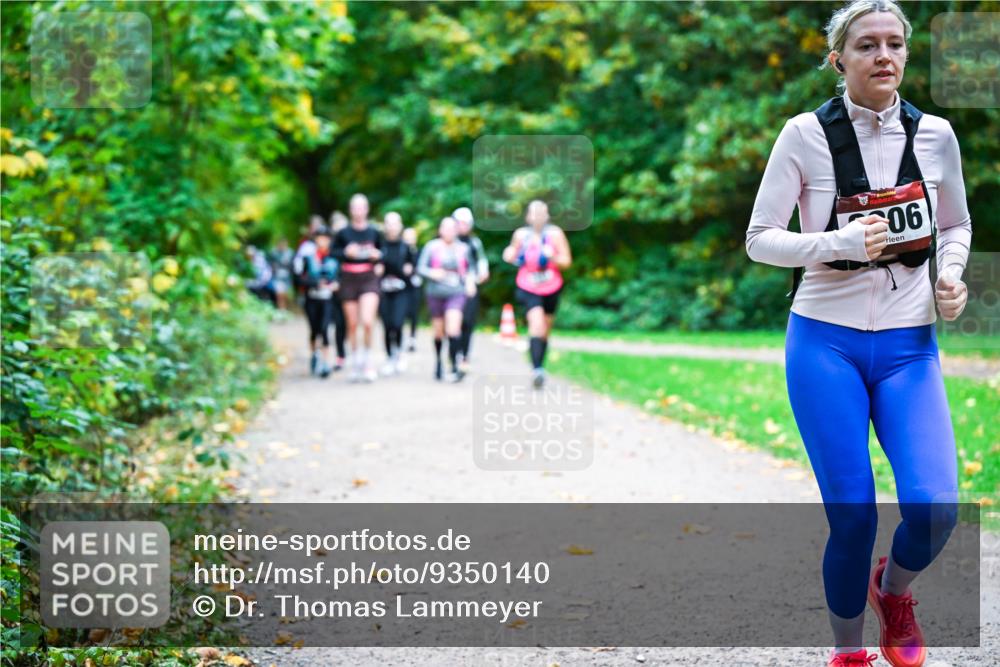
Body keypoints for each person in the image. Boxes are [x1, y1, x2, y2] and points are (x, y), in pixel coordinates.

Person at [745, 2, 971, 666]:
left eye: (895, 44)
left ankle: (892, 591)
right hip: (825, 342)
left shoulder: (935, 136)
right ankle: (848, 651)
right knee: (853, 516)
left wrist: (949, 276)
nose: (884, 55)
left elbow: (954, 225)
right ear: (838, 57)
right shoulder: (803, 135)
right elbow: (760, 239)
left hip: (908, 344)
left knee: (935, 507)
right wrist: (834, 241)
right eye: (866, 44)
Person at [502, 200, 572, 388]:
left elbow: (567, 261)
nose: (538, 216)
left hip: (551, 287)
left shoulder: (555, 234)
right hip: (528, 286)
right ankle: (536, 370)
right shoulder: (521, 235)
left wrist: (553, 257)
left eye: (542, 212)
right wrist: (509, 254)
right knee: (537, 325)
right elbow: (512, 255)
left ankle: (540, 365)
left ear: (547, 215)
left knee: (545, 331)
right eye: (535, 213)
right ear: (528, 216)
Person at [417, 217, 476, 382]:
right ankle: (438, 362)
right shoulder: (432, 247)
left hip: (456, 292)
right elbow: (420, 268)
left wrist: (470, 282)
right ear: (440, 230)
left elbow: (471, 268)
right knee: (438, 331)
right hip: (435, 293)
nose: (449, 231)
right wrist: (432, 273)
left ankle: (455, 365)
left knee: (453, 327)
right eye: (445, 228)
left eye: (452, 228)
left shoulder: (463, 248)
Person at [333, 194, 383, 382]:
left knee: (368, 321)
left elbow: (383, 252)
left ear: (367, 209)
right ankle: (355, 361)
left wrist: (377, 256)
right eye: (355, 207)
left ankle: (368, 360)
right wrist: (346, 252)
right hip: (349, 278)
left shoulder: (374, 231)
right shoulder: (343, 233)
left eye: (362, 207)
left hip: (368, 278)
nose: (359, 211)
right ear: (350, 210)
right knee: (352, 324)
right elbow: (333, 252)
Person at [378, 212, 416, 375]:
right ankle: (389, 357)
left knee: (398, 323)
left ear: (400, 226)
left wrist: (409, 269)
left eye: (395, 223)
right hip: (384, 292)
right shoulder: (380, 245)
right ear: (385, 226)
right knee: (387, 325)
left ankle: (399, 354)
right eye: (389, 223)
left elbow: (413, 265)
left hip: (401, 291)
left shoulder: (406, 247)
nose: (392, 227)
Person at [453, 206, 490, 373]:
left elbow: (482, 261)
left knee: (468, 322)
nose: (463, 226)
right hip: (452, 287)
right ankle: (454, 355)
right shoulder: (448, 241)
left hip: (470, 287)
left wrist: (482, 273)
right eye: (460, 223)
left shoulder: (474, 242)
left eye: (466, 223)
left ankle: (465, 355)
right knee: (454, 322)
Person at [300, 226, 339, 378]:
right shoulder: (308, 258)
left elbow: (339, 277)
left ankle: (325, 362)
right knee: (314, 330)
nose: (323, 241)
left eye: (325, 238)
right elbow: (299, 278)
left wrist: (334, 285)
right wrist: (315, 283)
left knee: (325, 329)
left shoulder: (333, 259)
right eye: (320, 238)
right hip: (312, 299)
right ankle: (314, 355)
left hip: (327, 299)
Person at [402, 226, 422, 352]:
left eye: (411, 237)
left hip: (414, 287)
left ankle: (412, 338)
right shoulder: (400, 251)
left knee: (414, 314)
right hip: (402, 288)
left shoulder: (419, 252)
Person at [269, 238, 294, 311]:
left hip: (287, 278)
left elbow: (293, 266)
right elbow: (270, 264)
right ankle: (281, 309)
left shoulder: (290, 253)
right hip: (277, 277)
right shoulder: (273, 253)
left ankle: (284, 307)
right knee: (279, 294)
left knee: (285, 294)